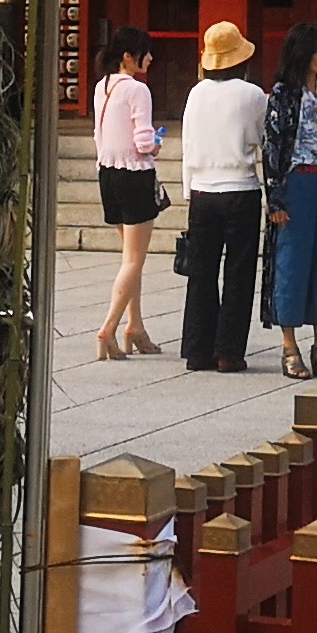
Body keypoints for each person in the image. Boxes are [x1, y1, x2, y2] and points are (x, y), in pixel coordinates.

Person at [260, 20, 317, 380]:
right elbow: (272, 147)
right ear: (304, 52)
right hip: (295, 183)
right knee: (292, 263)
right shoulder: (283, 94)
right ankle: (289, 346)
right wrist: (275, 200)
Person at [178, 22, 268, 373]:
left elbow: (187, 144)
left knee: (201, 273)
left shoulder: (195, 93)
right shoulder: (253, 95)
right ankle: (229, 351)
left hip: (203, 189)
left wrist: (188, 189)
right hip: (240, 187)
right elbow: (262, 138)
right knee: (239, 272)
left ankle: (197, 349)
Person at [91, 27, 163, 360]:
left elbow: (99, 133)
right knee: (134, 260)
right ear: (128, 57)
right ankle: (108, 328)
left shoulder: (102, 86)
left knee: (129, 259)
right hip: (134, 175)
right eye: (144, 53)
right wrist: (156, 145)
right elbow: (144, 141)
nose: (150, 58)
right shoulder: (137, 90)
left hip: (107, 173)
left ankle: (135, 326)